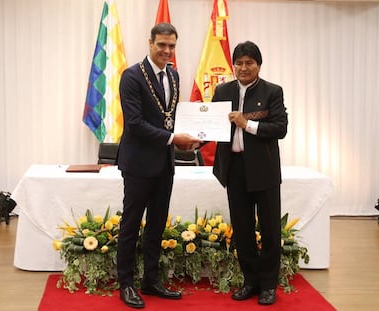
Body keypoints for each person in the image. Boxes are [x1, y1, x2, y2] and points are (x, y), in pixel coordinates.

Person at [116, 23, 202, 309]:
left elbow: (172, 117)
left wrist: (190, 138)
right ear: (150, 42)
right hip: (138, 164)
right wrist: (172, 137)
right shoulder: (131, 77)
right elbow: (135, 124)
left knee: (155, 226)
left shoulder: (174, 75)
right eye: (162, 45)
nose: (167, 51)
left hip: (165, 164)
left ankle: (150, 280)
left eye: (172, 46)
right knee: (130, 225)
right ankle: (126, 284)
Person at [212, 41, 288, 306]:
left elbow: (280, 128)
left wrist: (248, 124)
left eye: (249, 62)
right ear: (233, 65)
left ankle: (268, 286)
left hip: (264, 171)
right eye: (239, 63)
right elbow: (211, 126)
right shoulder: (222, 90)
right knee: (242, 231)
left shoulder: (272, 92)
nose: (243, 68)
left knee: (269, 231)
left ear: (258, 64)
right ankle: (251, 282)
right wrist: (194, 136)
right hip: (234, 170)